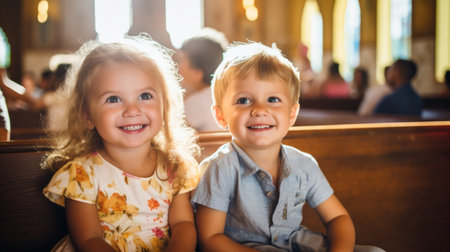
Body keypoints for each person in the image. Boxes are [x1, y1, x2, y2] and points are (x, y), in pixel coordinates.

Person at [192, 42, 384, 252]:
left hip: (298, 244)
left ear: (292, 114)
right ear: (221, 115)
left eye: (273, 99)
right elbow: (210, 238)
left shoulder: (303, 165)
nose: (259, 110)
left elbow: (338, 217)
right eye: (244, 100)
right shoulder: (221, 168)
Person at [42, 34, 200, 251]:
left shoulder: (175, 166)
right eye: (113, 99)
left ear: (164, 105)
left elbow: (183, 224)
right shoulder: (82, 174)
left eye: (145, 96)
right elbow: (88, 240)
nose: (132, 110)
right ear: (87, 115)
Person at [176, 27, 227, 132]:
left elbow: (171, 135)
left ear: (197, 73)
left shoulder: (197, 103)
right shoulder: (222, 96)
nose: (177, 68)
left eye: (181, 61)